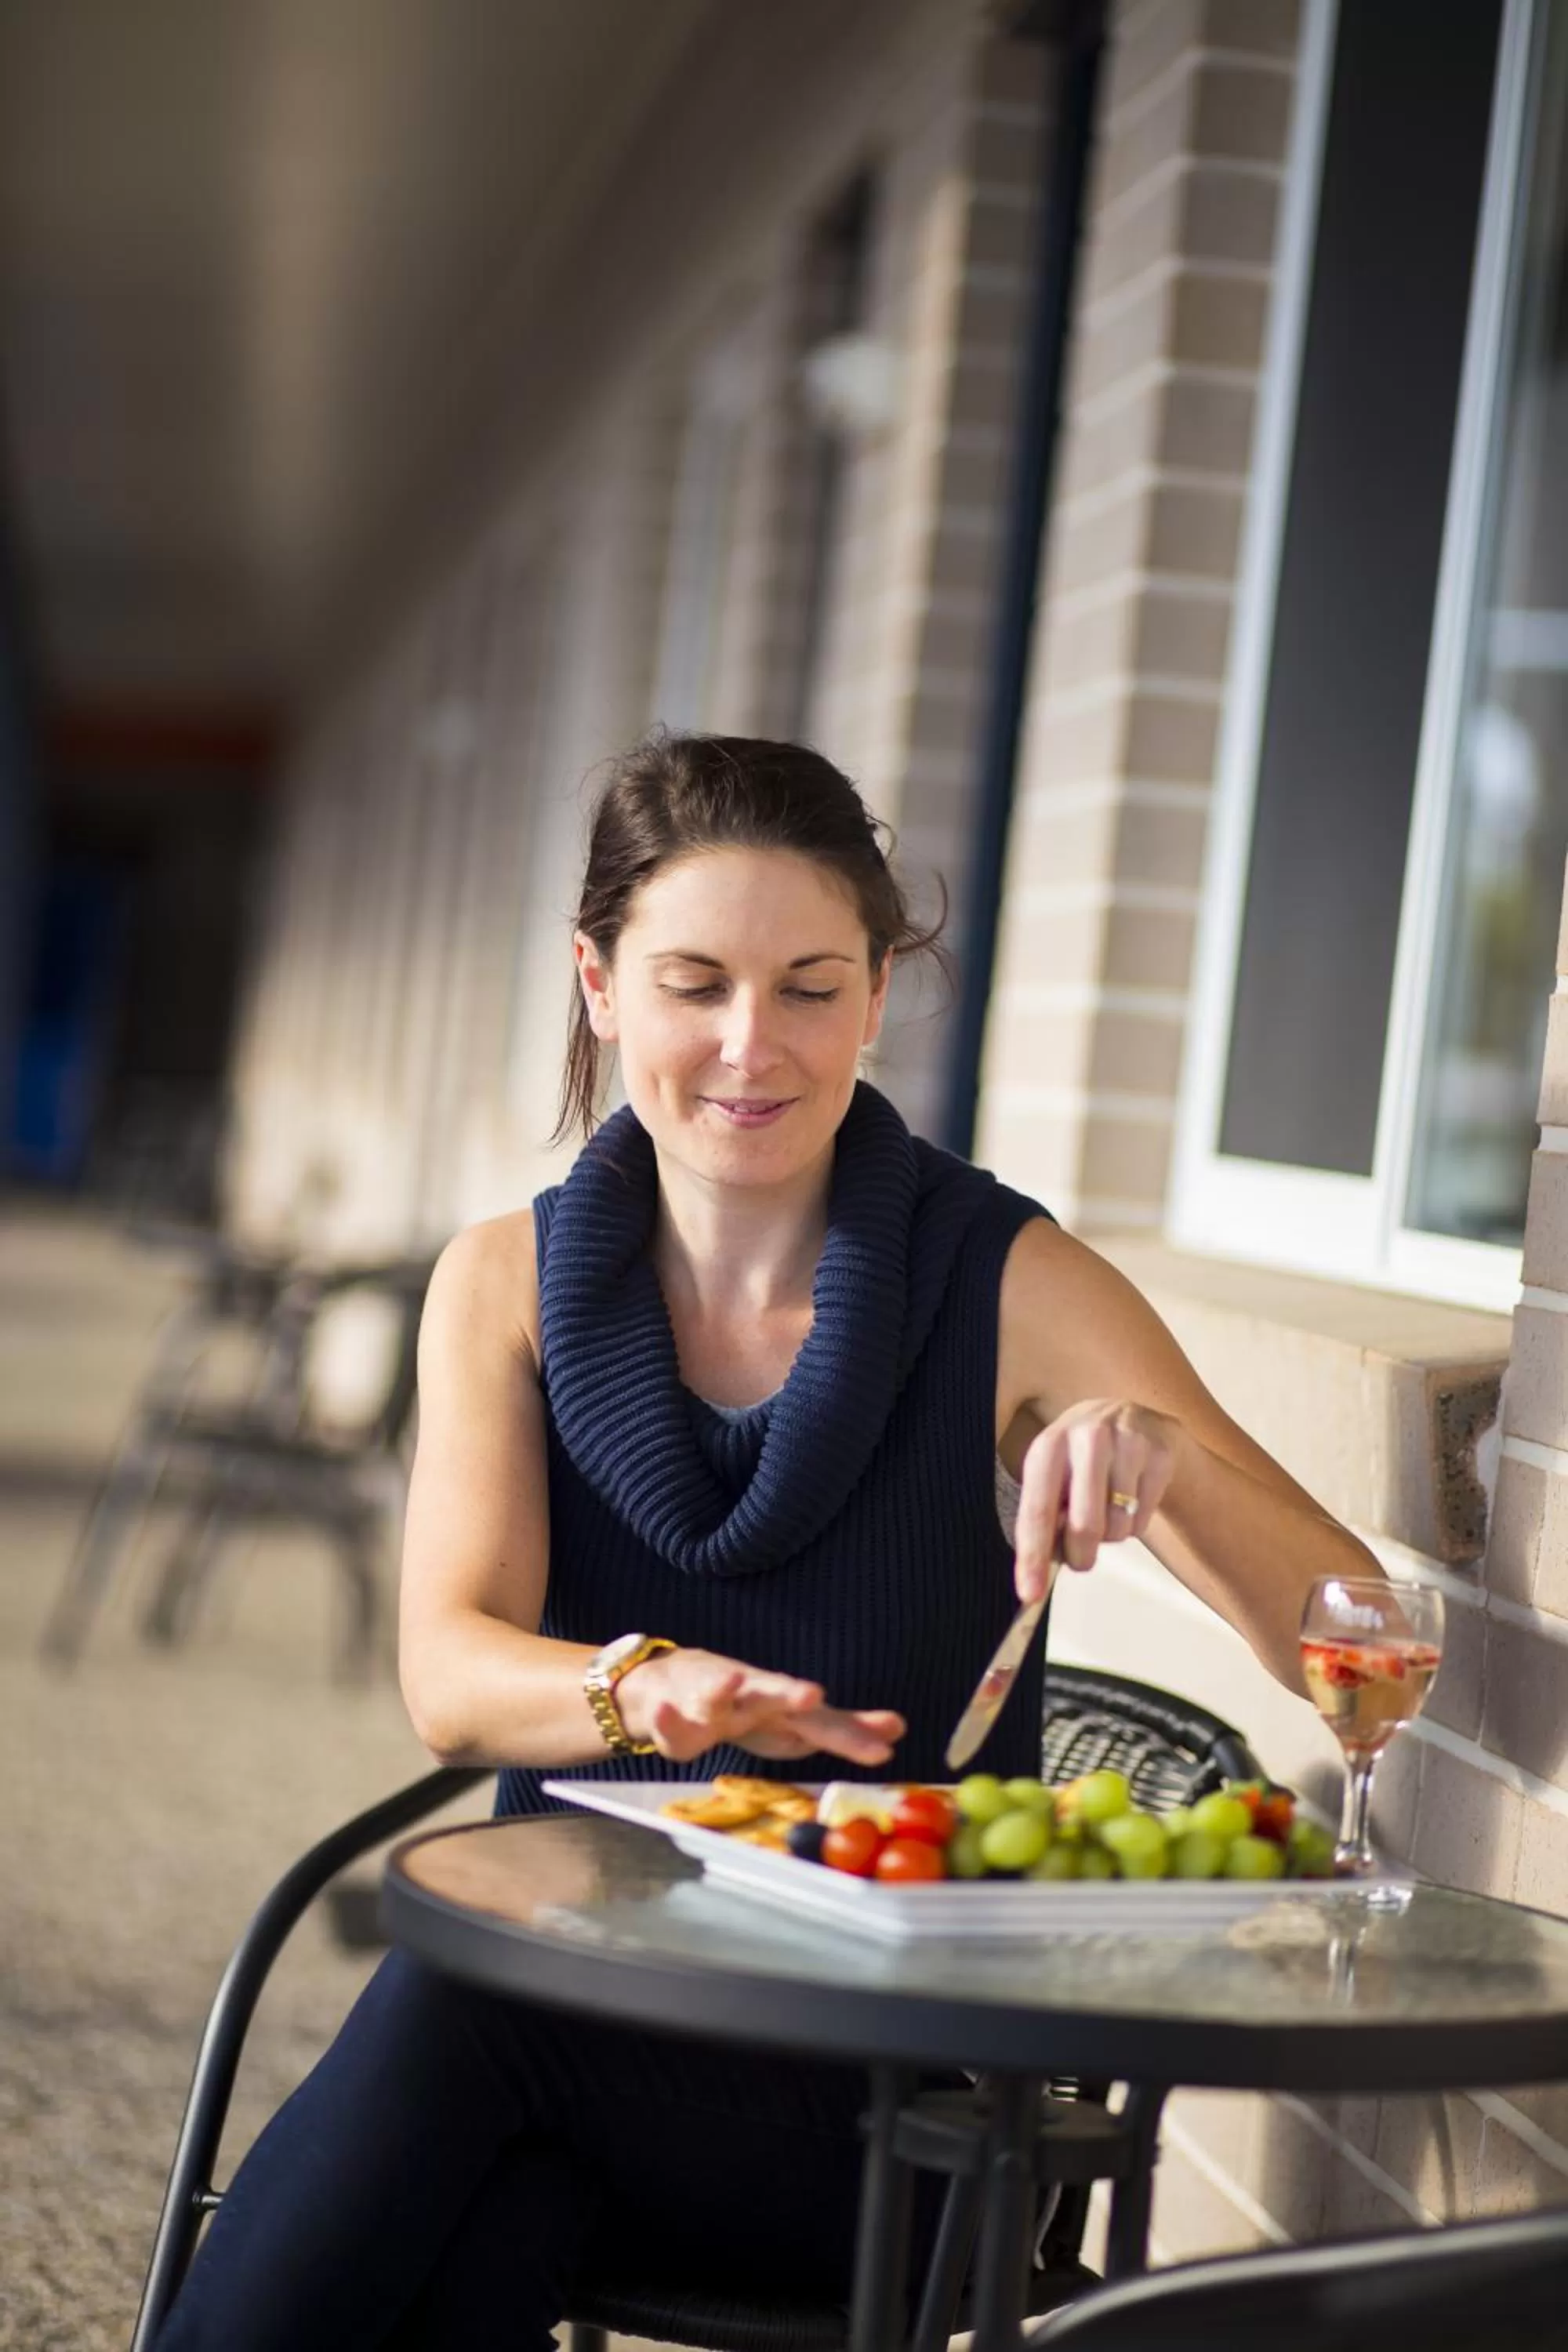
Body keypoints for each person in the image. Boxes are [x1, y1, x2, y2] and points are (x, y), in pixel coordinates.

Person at [157, 732, 1385, 2350]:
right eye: (694, 983)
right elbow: (450, 1681)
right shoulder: (500, 1286)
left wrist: (1163, 1465)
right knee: (475, 2225)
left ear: (877, 1000)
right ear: (597, 985)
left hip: (881, 2096)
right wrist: (649, 1686)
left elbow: (1354, 1646)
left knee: (463, 2010)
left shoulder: (1009, 1281)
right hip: (581, 2038)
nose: (753, 1045)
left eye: (811, 986)